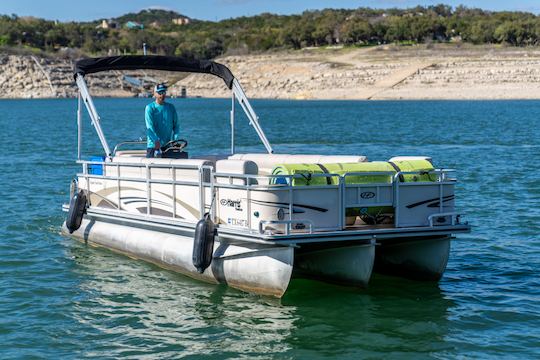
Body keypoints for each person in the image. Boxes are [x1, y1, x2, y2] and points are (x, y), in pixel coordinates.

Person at [145, 83, 180, 158]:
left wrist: (175, 140)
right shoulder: (150, 108)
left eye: (164, 92)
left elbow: (176, 126)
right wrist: (155, 140)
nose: (162, 95)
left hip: (168, 146)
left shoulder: (171, 107)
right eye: (160, 93)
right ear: (155, 94)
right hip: (153, 146)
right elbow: (149, 127)